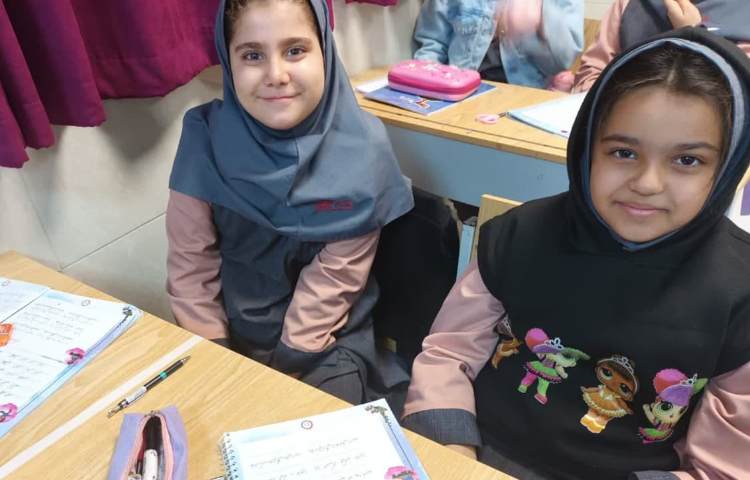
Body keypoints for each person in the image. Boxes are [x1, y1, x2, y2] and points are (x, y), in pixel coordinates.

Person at [402, 28, 750, 479]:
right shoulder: (521, 234)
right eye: (623, 152)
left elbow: (722, 464)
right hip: (481, 451)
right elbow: (448, 355)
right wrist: (455, 456)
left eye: (687, 160)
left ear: (726, 167)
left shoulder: (739, 289)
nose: (648, 183)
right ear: (587, 149)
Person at [166, 0, 414, 407]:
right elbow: (191, 267)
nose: (276, 75)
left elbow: (334, 282)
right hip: (228, 334)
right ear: (228, 62)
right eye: (252, 55)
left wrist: (287, 365)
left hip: (325, 340)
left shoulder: (363, 149)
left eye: (295, 50)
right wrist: (214, 356)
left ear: (325, 50)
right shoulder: (203, 138)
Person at [573, 0, 750, 92]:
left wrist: (693, 33)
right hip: (622, 123)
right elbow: (592, 73)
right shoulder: (629, 5)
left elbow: (740, 92)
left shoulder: (743, 14)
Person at [413, 0, 583, 90]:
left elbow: (563, 60)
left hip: (526, 93)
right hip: (459, 89)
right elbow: (433, 43)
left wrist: (536, 25)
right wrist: (424, 83)